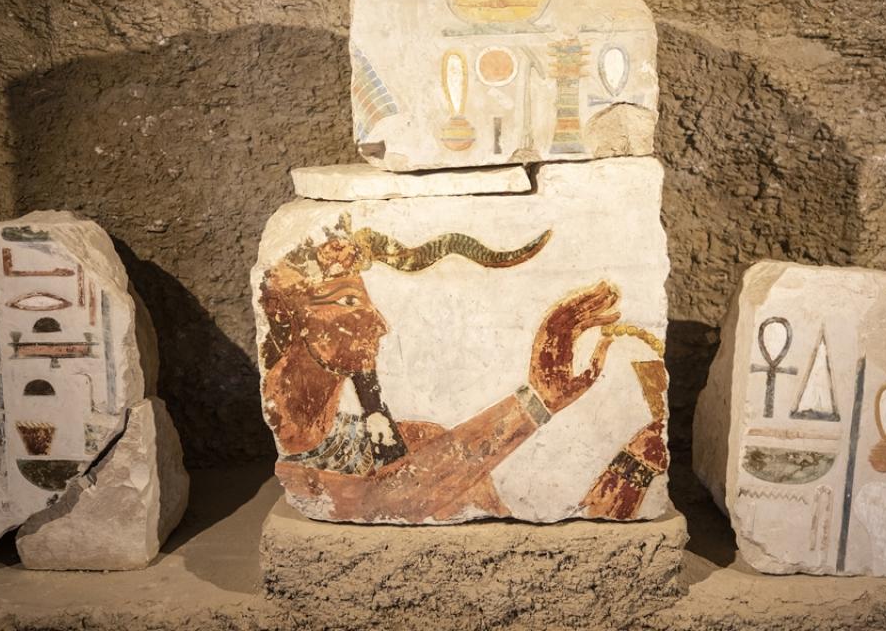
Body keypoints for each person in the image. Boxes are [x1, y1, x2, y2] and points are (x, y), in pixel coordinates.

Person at [258, 215, 663, 522]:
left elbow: (458, 496)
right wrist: (536, 402)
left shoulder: (416, 440)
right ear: (285, 312)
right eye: (348, 302)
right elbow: (389, 499)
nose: (378, 324)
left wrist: (632, 470)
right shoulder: (298, 464)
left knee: (434, 446)